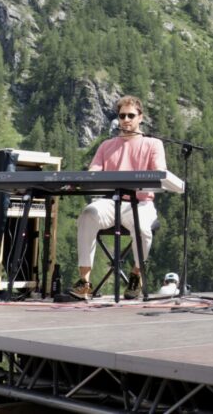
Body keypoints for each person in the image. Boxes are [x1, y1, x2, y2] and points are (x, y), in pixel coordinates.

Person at [70, 95, 166, 300]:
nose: (126, 120)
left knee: (142, 229)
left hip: (141, 202)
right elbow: (93, 173)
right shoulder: (106, 146)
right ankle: (84, 281)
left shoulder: (153, 144)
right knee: (88, 215)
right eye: (122, 116)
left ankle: (136, 275)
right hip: (111, 200)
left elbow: (160, 174)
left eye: (131, 115)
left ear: (141, 117)